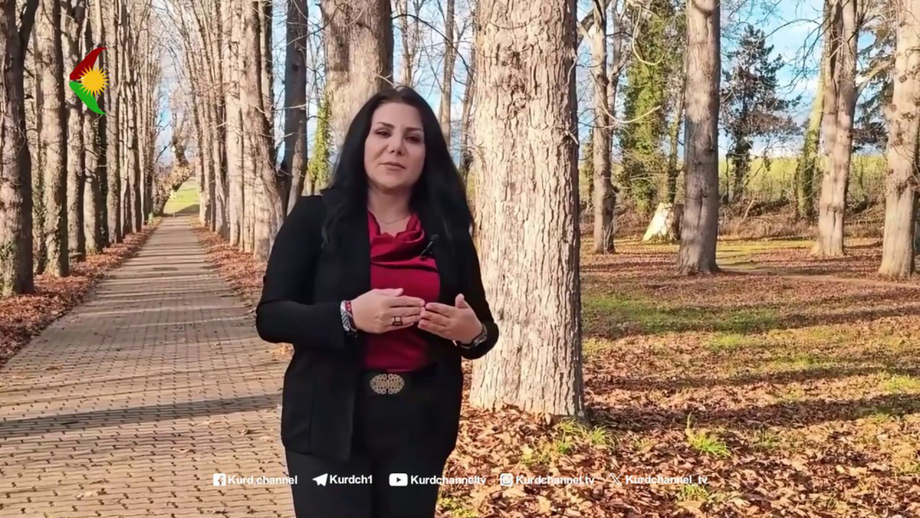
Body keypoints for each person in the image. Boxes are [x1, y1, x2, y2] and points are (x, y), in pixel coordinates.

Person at [255, 85, 500, 518]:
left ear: (427, 154)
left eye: (413, 138)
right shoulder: (315, 217)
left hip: (419, 428)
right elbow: (271, 317)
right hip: (328, 425)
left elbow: (482, 332)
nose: (396, 147)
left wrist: (471, 332)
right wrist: (348, 316)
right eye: (383, 132)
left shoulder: (448, 231)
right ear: (361, 143)